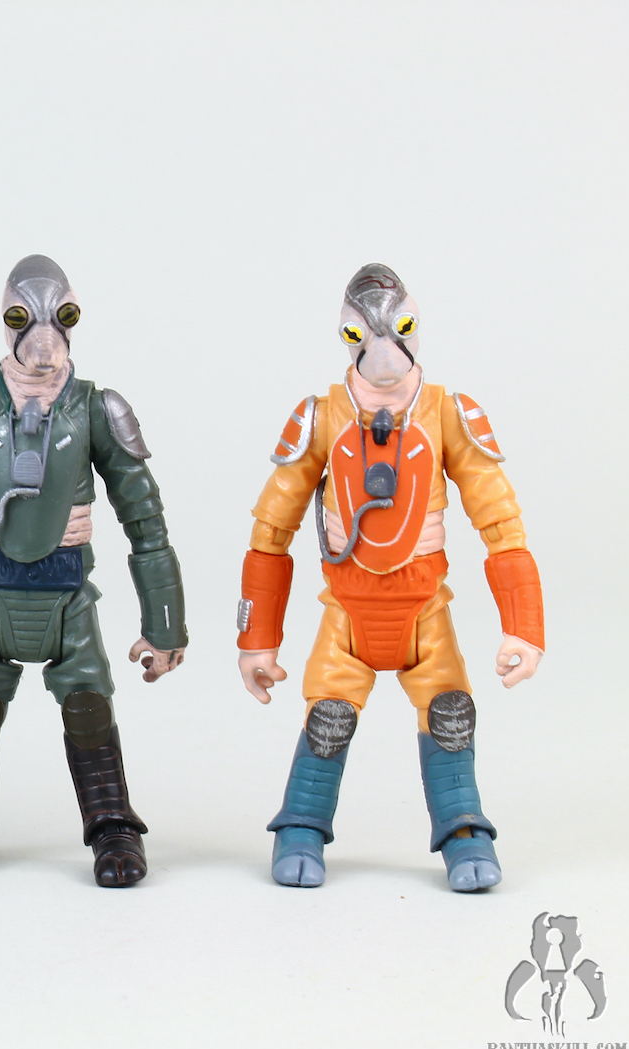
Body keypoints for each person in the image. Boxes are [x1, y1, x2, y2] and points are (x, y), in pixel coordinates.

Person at [237, 263, 543, 891]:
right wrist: (257, 637)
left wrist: (524, 626)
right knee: (328, 718)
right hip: (347, 612)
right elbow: (272, 528)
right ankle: (301, 825)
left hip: (424, 610)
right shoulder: (323, 416)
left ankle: (463, 830)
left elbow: (500, 521)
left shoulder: (447, 413)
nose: (383, 354)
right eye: (361, 335)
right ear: (346, 336)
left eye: (399, 329)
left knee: (450, 714)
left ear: (414, 328)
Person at [0, 255, 187, 886]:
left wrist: (165, 624)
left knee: (89, 707)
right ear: (6, 323)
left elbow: (146, 522)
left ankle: (112, 825)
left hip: (68, 600)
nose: (43, 343)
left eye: (62, 318)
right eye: (23, 320)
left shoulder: (97, 410)